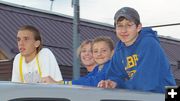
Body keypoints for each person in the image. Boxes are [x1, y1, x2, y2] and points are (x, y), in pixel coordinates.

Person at [97, 7, 176, 93]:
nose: (124, 30)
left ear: (138, 27)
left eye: (129, 25)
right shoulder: (119, 49)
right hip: (144, 94)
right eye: (120, 26)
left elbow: (145, 82)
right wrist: (112, 83)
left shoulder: (149, 43)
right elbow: (115, 75)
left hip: (167, 93)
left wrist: (121, 85)